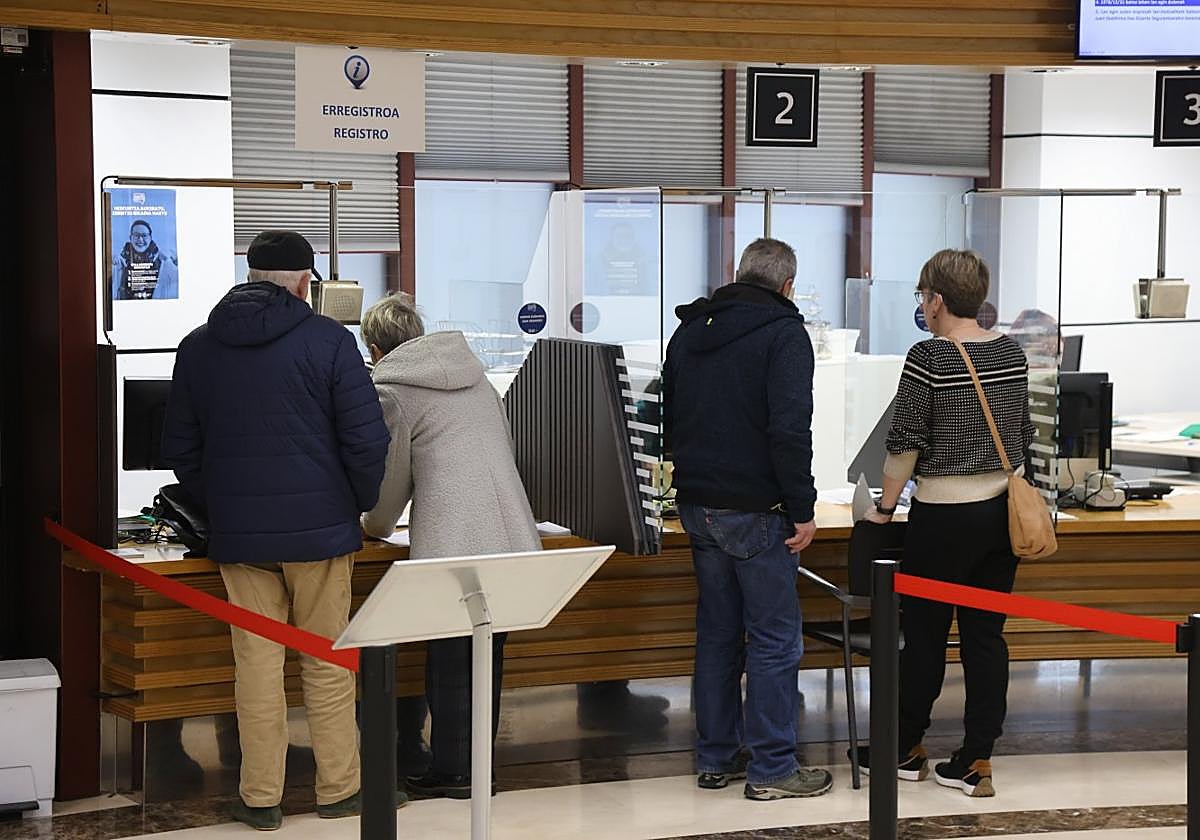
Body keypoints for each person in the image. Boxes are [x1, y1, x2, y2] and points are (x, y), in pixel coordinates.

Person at [161, 230, 391, 831]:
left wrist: (222, 506)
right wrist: (355, 506)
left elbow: (181, 449)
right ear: (305, 279)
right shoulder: (331, 342)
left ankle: (261, 798)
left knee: (257, 669)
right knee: (328, 662)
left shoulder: (199, 347)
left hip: (243, 540)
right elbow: (367, 441)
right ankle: (339, 790)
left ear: (250, 271)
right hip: (322, 536)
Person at [663, 237, 834, 802]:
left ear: (739, 275)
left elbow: (667, 415)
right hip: (758, 513)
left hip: (696, 507)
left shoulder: (690, 330)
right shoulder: (784, 334)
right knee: (773, 641)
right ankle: (772, 769)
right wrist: (804, 509)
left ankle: (714, 759)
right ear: (787, 286)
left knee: (716, 636)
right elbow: (789, 430)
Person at [860, 249, 1035, 798]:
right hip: (1001, 513)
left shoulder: (927, 357)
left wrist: (884, 509)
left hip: (943, 517)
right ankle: (977, 759)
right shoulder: (1010, 353)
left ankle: (904, 748)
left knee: (926, 637)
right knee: (986, 639)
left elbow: (905, 441)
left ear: (936, 300)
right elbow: (1022, 431)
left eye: (922, 296)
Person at [360, 293, 541, 800]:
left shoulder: (395, 390)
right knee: (488, 652)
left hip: (454, 538)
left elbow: (392, 479)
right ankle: (478, 766)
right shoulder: (475, 377)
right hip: (510, 533)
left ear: (375, 348)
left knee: (449, 655)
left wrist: (375, 525)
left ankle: (453, 770)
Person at [113, 218, 179, 300]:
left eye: (144, 236)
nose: (140, 240)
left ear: (150, 237)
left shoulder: (163, 262)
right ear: (130, 237)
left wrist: (171, 260)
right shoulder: (119, 262)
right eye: (136, 235)